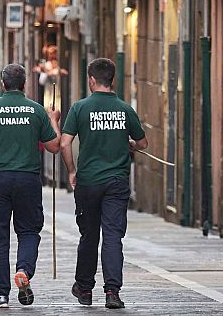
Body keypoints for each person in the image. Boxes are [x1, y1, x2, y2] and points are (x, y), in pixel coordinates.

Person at [0, 64, 61, 309]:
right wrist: (53, 120)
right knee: (29, 231)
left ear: (3, 84)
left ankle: (1, 295)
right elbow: (54, 146)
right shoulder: (36, 110)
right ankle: (24, 271)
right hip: (28, 179)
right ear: (25, 84)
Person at [59, 58, 147, 309]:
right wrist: (129, 143)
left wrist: (72, 171)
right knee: (112, 237)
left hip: (88, 182)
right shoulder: (125, 109)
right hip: (117, 182)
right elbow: (143, 144)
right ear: (112, 80)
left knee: (89, 236)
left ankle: (84, 288)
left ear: (91, 80)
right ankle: (112, 292)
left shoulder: (80, 108)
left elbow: (65, 143)